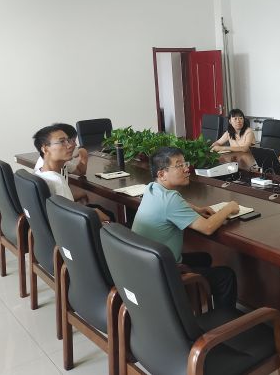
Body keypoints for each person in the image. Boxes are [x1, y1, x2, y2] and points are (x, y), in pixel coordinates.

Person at [132, 147, 239, 309]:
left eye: (185, 163)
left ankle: (195, 301)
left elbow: (171, 203)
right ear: (162, 174)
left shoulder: (151, 188)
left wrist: (197, 209)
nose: (186, 169)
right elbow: (208, 227)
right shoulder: (171, 200)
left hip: (147, 265)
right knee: (226, 276)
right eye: (179, 165)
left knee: (204, 258)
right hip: (163, 273)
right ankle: (224, 321)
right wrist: (229, 207)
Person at [33, 125, 111, 223]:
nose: (70, 145)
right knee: (108, 216)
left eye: (69, 140)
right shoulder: (58, 181)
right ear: (45, 149)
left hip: (53, 224)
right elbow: (70, 219)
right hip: (68, 228)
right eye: (62, 141)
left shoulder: (40, 172)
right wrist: (94, 213)